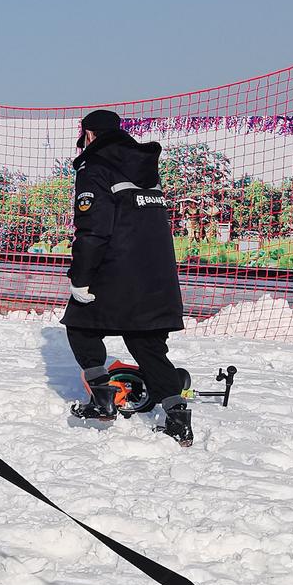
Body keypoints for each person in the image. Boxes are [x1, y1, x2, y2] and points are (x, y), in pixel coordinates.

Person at [64, 109, 193, 446]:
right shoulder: (145, 165)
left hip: (115, 271)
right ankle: (178, 416)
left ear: (88, 135)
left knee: (79, 324)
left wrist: (80, 278)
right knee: (146, 342)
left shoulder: (94, 167)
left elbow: (92, 231)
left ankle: (102, 399)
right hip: (157, 274)